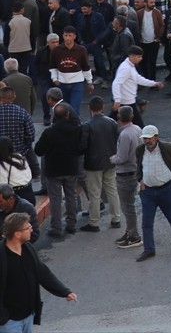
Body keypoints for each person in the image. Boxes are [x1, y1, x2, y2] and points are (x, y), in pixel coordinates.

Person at [0, 212, 77, 328]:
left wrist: (64, 291)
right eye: (27, 227)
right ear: (17, 234)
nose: (31, 229)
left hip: (28, 316)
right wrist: (3, 318)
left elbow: (42, 273)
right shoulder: (2, 256)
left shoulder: (27, 249)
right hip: (10, 321)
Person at [133, 124, 171, 262]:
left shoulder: (169, 148)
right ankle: (149, 250)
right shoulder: (140, 150)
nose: (146, 141)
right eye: (144, 139)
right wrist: (140, 180)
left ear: (157, 137)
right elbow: (139, 166)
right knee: (146, 221)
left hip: (166, 189)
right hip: (147, 192)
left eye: (149, 138)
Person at [34, 104, 81, 239]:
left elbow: (38, 150)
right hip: (71, 168)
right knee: (71, 196)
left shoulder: (49, 132)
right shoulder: (76, 130)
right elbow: (81, 147)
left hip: (54, 170)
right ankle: (71, 224)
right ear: (67, 114)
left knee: (55, 199)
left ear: (55, 116)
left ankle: (56, 227)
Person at [80, 96, 122, 232]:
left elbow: (82, 147)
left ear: (89, 108)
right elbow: (117, 140)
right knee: (112, 190)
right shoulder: (111, 122)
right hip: (110, 161)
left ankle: (94, 222)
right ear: (102, 107)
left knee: (94, 193)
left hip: (93, 164)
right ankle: (116, 218)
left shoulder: (86, 125)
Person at [111, 106, 143, 250]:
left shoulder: (124, 135)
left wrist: (112, 159)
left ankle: (134, 236)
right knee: (128, 206)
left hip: (125, 174)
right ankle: (129, 232)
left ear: (119, 117)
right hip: (134, 172)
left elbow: (122, 158)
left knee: (128, 207)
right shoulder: (137, 129)